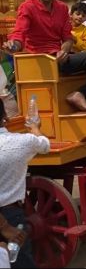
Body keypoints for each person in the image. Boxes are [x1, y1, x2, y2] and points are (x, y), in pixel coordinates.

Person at [0, 102, 51, 268]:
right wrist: (35, 127)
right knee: (21, 262)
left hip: (9, 218)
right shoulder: (23, 141)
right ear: (5, 118)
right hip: (12, 215)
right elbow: (44, 144)